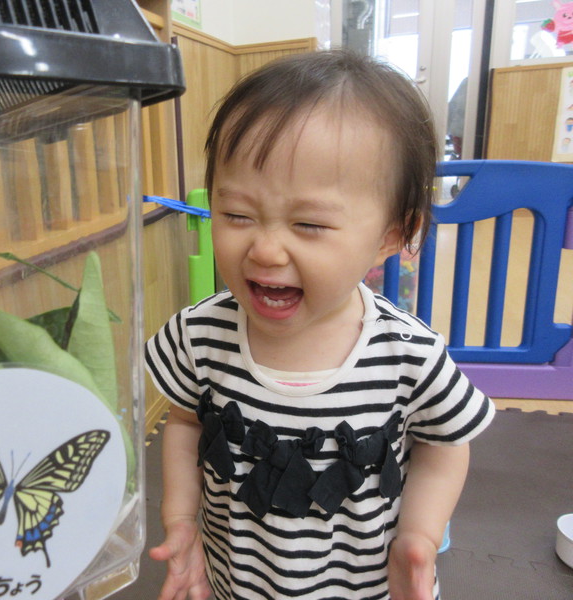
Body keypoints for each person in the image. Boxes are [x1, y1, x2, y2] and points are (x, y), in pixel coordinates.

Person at [145, 49, 495, 600]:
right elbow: (186, 424)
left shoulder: (409, 354)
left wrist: (421, 535)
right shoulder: (198, 335)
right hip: (236, 581)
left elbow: (445, 445)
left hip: (366, 586)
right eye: (236, 215)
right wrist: (180, 517)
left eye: (308, 223)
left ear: (389, 237)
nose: (264, 249)